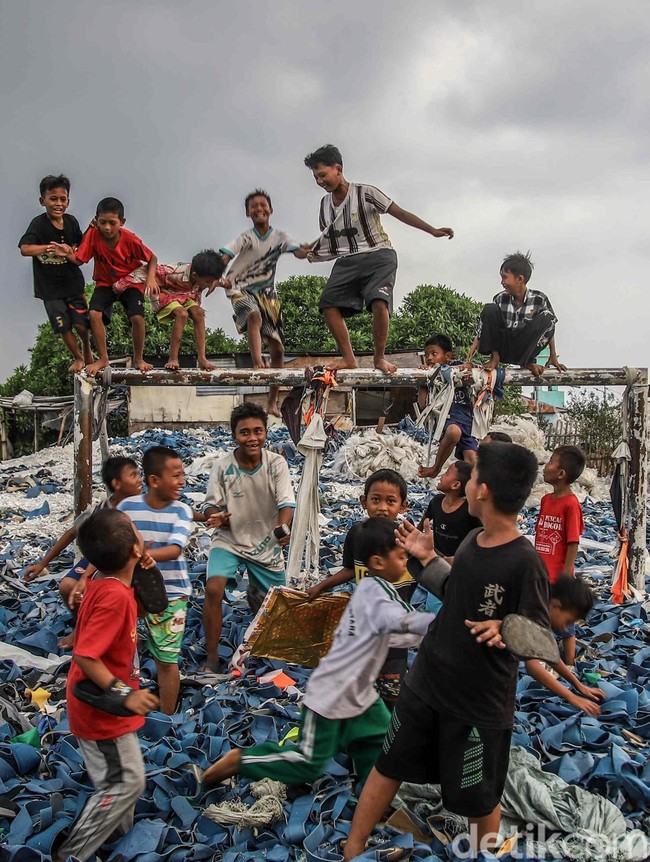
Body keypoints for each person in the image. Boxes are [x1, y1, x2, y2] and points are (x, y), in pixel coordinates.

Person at [343, 442, 551, 859]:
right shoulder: (474, 541)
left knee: (480, 797)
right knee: (390, 764)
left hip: (479, 702)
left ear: (484, 490)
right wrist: (425, 557)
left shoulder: (525, 561)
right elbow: (454, 592)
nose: (467, 484)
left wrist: (506, 627)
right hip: (427, 683)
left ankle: (483, 854)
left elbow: (542, 638)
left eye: (472, 478)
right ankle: (353, 848)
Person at [201, 517, 435, 788]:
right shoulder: (375, 594)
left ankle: (373, 797)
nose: (405, 563)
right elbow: (405, 623)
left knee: (380, 741)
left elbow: (401, 630)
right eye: (401, 557)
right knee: (307, 763)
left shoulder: (378, 590)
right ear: (378, 562)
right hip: (333, 693)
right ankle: (239, 760)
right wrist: (445, 625)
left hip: (359, 692)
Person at [53, 507, 158, 862]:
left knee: (120, 781)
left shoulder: (109, 585)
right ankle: (72, 854)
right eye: (136, 532)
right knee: (124, 782)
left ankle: (117, 840)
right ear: (133, 549)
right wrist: (123, 694)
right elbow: (85, 655)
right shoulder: (112, 596)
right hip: (102, 707)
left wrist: (144, 570)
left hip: (103, 704)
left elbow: (147, 608)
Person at [303, 144, 454, 374]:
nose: (320, 181)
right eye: (316, 178)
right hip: (348, 260)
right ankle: (348, 358)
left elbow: (400, 213)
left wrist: (432, 230)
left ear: (338, 169)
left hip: (379, 254)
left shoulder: (365, 192)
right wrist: (307, 250)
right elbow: (329, 241)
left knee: (378, 302)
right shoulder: (324, 206)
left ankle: (379, 358)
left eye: (323, 175)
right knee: (327, 304)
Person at [306, 469, 415, 707]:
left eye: (391, 501)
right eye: (376, 500)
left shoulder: (408, 540)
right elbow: (349, 570)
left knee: (392, 688)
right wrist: (320, 588)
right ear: (364, 502)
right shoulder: (358, 535)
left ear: (403, 506)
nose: (383, 508)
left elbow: (428, 571)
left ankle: (389, 733)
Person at [200, 403, 295, 673]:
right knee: (214, 588)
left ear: (266, 432)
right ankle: (210, 657)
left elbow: (286, 503)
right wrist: (216, 515)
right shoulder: (222, 467)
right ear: (234, 435)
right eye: (245, 432)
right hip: (229, 539)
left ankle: (269, 649)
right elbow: (210, 505)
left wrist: (283, 528)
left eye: (258, 431)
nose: (252, 438)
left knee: (276, 607)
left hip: (266, 543)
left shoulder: (276, 463)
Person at [219, 189, 310, 416]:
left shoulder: (280, 237)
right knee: (253, 316)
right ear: (248, 213)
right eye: (254, 206)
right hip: (239, 288)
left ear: (271, 210)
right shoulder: (246, 237)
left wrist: (308, 249)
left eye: (263, 205)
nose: (259, 209)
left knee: (278, 348)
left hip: (267, 294)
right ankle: (257, 361)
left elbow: (298, 252)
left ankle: (272, 402)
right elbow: (226, 256)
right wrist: (214, 275)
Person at [118, 446, 193, 714]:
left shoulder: (181, 511)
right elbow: (115, 542)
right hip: (132, 594)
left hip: (171, 596)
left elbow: (175, 549)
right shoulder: (127, 507)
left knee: (166, 660)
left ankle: (168, 717)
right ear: (153, 480)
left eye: (182, 474)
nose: (182, 481)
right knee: (124, 652)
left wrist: (143, 555)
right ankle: (127, 704)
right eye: (175, 475)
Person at [51, 197, 158, 376]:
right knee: (94, 313)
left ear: (121, 222)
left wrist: (151, 278)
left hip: (130, 281)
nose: (107, 227)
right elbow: (79, 259)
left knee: (137, 318)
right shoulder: (94, 235)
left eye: (112, 223)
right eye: (102, 222)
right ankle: (103, 358)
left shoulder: (130, 239)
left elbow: (152, 257)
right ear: (96, 220)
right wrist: (67, 253)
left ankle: (138, 358)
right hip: (105, 283)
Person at [22, 456, 142, 612]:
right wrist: (42, 564)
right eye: (133, 475)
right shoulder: (101, 511)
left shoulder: (143, 508)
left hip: (133, 560)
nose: (139, 480)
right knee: (67, 586)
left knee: (112, 593)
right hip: (103, 560)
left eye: (138, 474)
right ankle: (83, 624)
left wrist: (86, 577)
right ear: (117, 484)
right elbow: (71, 533)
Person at [19, 174, 92, 373]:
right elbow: (25, 249)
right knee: (62, 325)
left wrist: (91, 230)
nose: (58, 203)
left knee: (81, 325)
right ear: (42, 201)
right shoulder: (38, 224)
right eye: (53, 199)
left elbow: (80, 245)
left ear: (68, 201)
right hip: (49, 288)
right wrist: (48, 249)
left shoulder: (71, 222)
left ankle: (86, 347)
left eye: (62, 199)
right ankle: (77, 357)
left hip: (72, 282)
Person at [112, 249, 226, 372]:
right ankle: (173, 358)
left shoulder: (208, 275)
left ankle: (202, 358)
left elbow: (222, 280)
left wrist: (217, 283)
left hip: (186, 296)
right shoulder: (174, 272)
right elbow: (144, 272)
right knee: (182, 314)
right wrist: (120, 285)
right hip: (165, 295)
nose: (209, 284)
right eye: (208, 282)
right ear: (194, 276)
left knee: (199, 313)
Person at [466, 251, 566, 379]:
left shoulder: (539, 299)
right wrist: (477, 340)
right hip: (503, 347)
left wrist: (552, 355)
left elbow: (549, 327)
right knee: (489, 308)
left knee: (548, 317)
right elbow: (489, 322)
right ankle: (495, 358)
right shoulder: (500, 298)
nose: (502, 282)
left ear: (520, 279)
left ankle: (527, 362)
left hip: (523, 348)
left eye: (505, 277)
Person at [535, 444, 586, 668]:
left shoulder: (571, 504)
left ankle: (570, 663)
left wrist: (567, 574)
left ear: (562, 474)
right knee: (541, 616)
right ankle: (540, 657)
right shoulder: (546, 500)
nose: (546, 466)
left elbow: (572, 542)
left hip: (559, 576)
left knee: (565, 625)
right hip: (541, 572)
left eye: (551, 462)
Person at [525, 575, 604, 717]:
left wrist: (579, 686)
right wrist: (571, 697)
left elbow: (548, 653)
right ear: (556, 605)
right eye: (568, 621)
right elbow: (533, 666)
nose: (566, 628)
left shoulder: (542, 608)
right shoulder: (534, 613)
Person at [418, 334, 479, 480]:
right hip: (447, 419)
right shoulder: (429, 376)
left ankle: (469, 493)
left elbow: (471, 366)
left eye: (434, 353)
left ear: (448, 356)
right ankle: (435, 468)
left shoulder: (454, 367)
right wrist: (423, 382)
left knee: (473, 463)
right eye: (427, 355)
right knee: (453, 432)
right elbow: (423, 405)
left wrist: (456, 370)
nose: (429, 358)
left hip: (467, 420)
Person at [418, 460, 481, 563]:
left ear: (455, 485)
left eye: (447, 473)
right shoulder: (436, 502)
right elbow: (419, 528)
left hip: (460, 563)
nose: (442, 475)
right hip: (437, 559)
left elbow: (479, 542)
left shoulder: (470, 511)